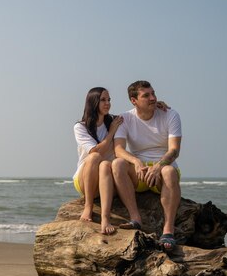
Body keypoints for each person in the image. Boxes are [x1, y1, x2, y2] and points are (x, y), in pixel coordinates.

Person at [112, 80, 182, 251]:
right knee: (117, 164)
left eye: (153, 94)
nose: (153, 98)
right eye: (146, 95)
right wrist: (136, 162)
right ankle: (135, 219)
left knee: (169, 171)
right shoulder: (125, 118)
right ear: (133, 100)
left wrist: (158, 166)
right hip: (141, 172)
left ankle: (168, 230)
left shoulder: (170, 114)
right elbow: (119, 149)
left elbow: (174, 150)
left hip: (163, 169)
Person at [73, 87, 123, 234]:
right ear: (93, 102)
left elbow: (137, 116)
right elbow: (96, 151)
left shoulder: (114, 121)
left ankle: (105, 218)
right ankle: (88, 206)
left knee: (106, 164)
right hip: (85, 179)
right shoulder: (80, 127)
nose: (107, 103)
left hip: (107, 179)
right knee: (95, 157)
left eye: (109, 100)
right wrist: (111, 133)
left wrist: (157, 105)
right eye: (103, 100)